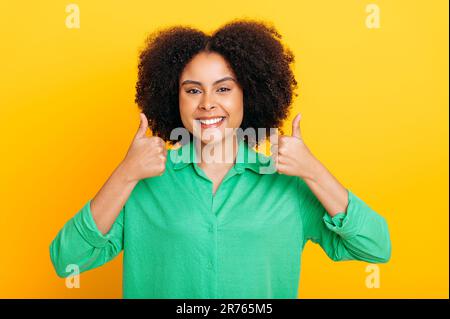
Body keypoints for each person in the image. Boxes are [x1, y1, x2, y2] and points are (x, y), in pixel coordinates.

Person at [50, 19, 391, 298]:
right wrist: (124, 174)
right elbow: (67, 261)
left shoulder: (289, 184)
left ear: (249, 94)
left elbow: (376, 247)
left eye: (224, 88)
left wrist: (314, 171)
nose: (207, 103)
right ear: (175, 98)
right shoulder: (141, 182)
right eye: (193, 90)